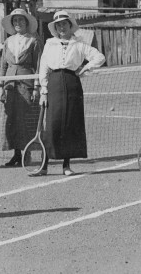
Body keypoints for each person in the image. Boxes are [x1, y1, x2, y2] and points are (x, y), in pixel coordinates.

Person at [34, 10, 106, 177]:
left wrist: (85, 68)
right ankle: (43, 166)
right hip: (54, 84)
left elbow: (99, 57)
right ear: (55, 28)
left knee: (70, 124)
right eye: (58, 25)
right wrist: (44, 91)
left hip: (73, 84)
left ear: (70, 26)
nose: (62, 27)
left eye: (64, 24)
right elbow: (43, 66)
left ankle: (66, 165)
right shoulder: (49, 44)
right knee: (52, 124)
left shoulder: (79, 44)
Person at [0, 8, 43, 167]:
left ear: (26, 22)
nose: (18, 23)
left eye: (21, 20)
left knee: (27, 118)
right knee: (12, 119)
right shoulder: (7, 42)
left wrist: (37, 87)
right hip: (10, 85)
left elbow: (39, 65)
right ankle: (16, 154)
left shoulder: (34, 41)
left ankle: (27, 153)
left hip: (27, 84)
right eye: (15, 21)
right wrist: (0, 86)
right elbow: (3, 65)